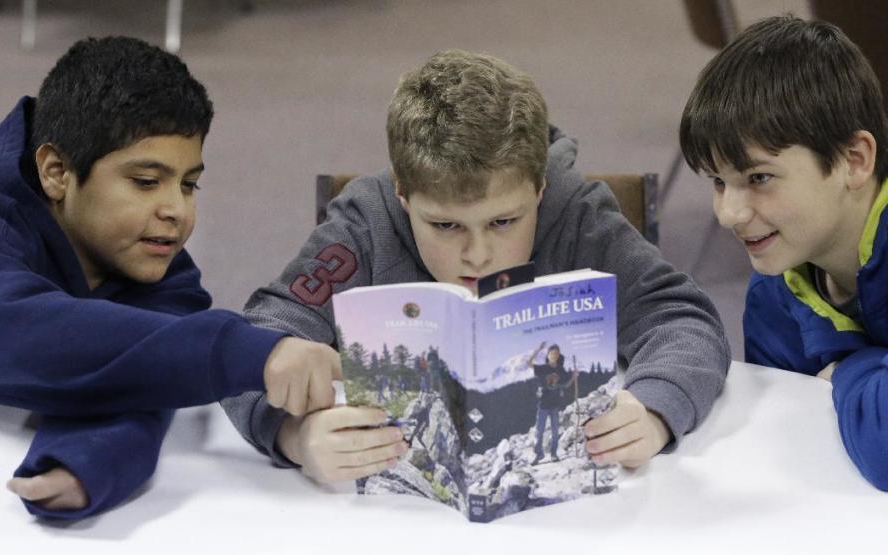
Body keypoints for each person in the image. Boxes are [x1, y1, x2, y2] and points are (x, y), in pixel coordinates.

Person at [223, 49, 730, 484]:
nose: (478, 254)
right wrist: (292, 436)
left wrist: (656, 409)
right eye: (445, 226)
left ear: (539, 189)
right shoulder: (366, 221)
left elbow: (680, 319)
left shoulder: (576, 214)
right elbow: (254, 340)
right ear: (403, 195)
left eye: (505, 221)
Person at [0, 36, 337, 519]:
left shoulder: (159, 272)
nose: (177, 210)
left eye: (189, 184)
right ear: (56, 171)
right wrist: (246, 351)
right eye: (146, 182)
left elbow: (146, 371)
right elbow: (17, 330)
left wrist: (90, 460)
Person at [679, 15, 888, 491]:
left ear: (855, 160)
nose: (729, 213)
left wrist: (848, 367)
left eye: (758, 178)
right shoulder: (777, 285)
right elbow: (787, 437)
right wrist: (878, 380)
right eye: (719, 182)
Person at [526, 342, 576, 464]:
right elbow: (529, 363)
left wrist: (574, 377)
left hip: (555, 405)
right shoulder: (542, 368)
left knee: (555, 431)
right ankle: (539, 454)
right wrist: (538, 349)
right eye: (551, 353)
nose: (554, 355)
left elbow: (565, 385)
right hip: (543, 404)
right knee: (539, 431)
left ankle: (553, 454)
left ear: (558, 356)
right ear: (547, 355)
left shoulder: (560, 369)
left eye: (556, 354)